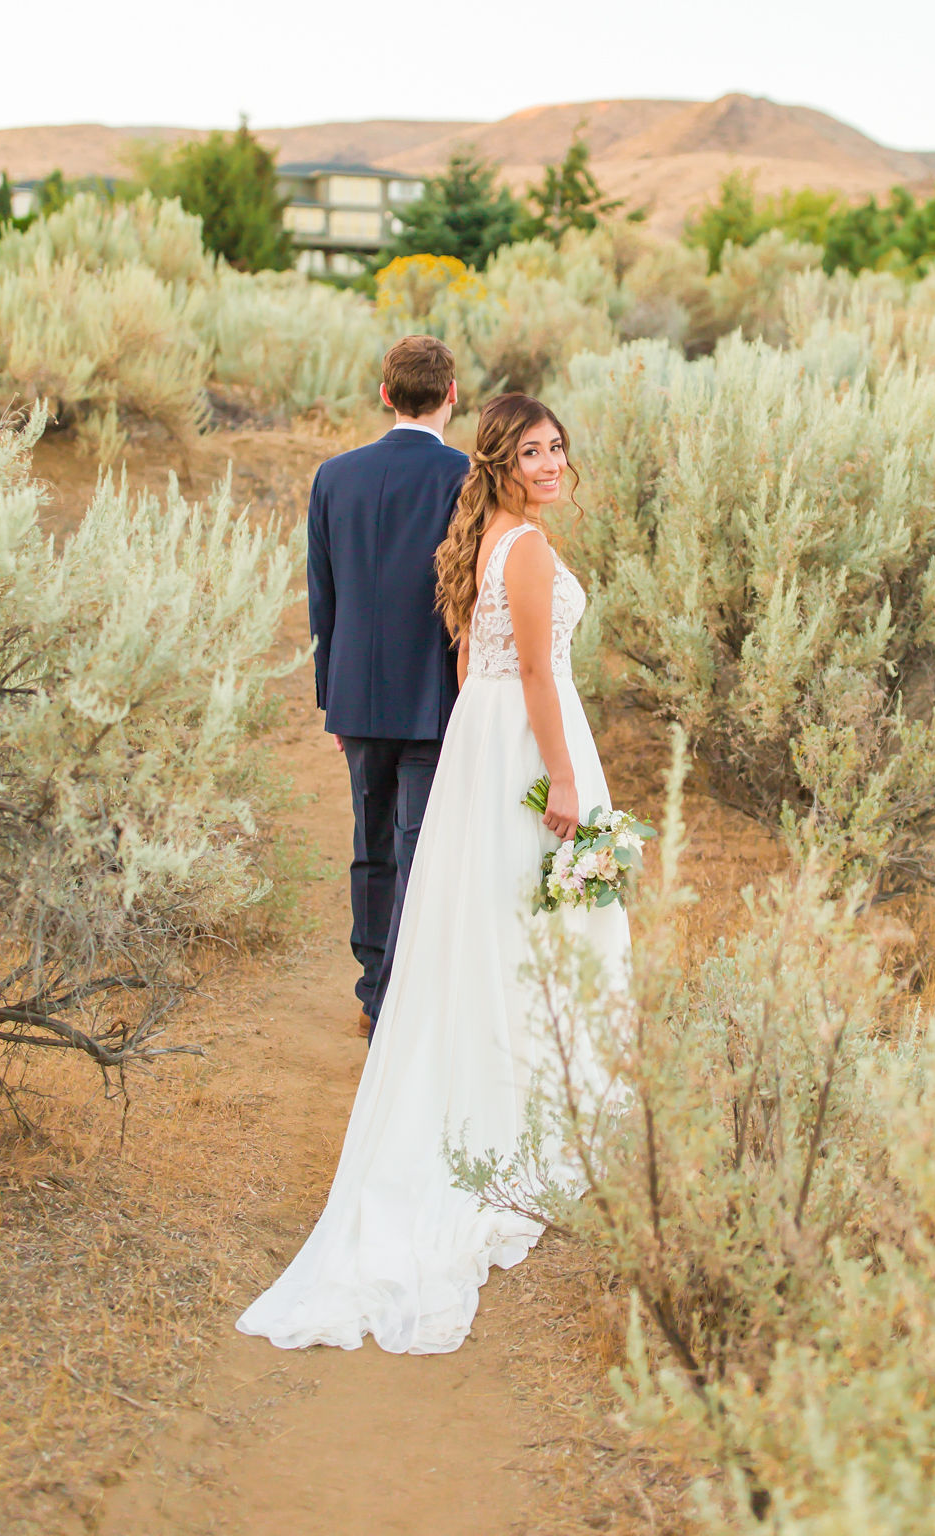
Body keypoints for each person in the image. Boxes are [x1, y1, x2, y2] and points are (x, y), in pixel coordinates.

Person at [236, 392, 629, 1355]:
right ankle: (556, 1095)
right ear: (497, 458)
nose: (551, 464)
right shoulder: (525, 548)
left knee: (505, 921)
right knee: (557, 916)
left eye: (557, 449)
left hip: (484, 743)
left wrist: (486, 753)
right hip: (535, 747)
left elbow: (466, 666)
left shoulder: (484, 535)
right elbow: (537, 673)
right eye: (533, 452)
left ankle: (530, 1078)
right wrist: (566, 780)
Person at [306, 333, 469, 1035]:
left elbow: (324, 597)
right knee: (418, 845)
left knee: (369, 843)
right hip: (435, 697)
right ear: (452, 395)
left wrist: (330, 695)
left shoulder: (333, 476)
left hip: (357, 693)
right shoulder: (466, 475)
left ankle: (374, 987)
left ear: (384, 394)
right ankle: (403, 991)